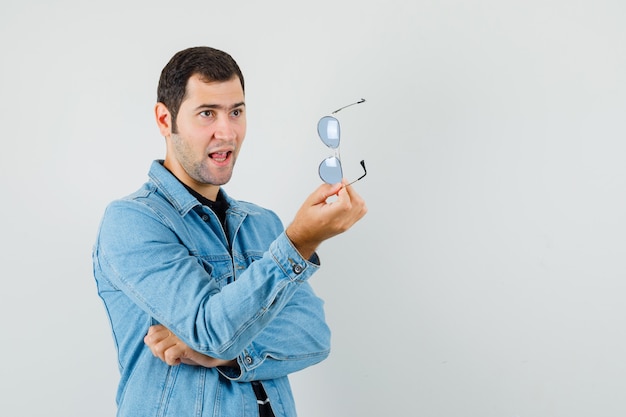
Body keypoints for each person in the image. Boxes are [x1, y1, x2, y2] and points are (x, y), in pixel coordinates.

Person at [92, 46, 367, 417]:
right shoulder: (132, 222)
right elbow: (211, 329)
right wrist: (299, 243)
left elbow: (314, 336)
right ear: (164, 120)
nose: (227, 132)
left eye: (236, 112)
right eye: (207, 113)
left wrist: (214, 352)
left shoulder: (262, 224)